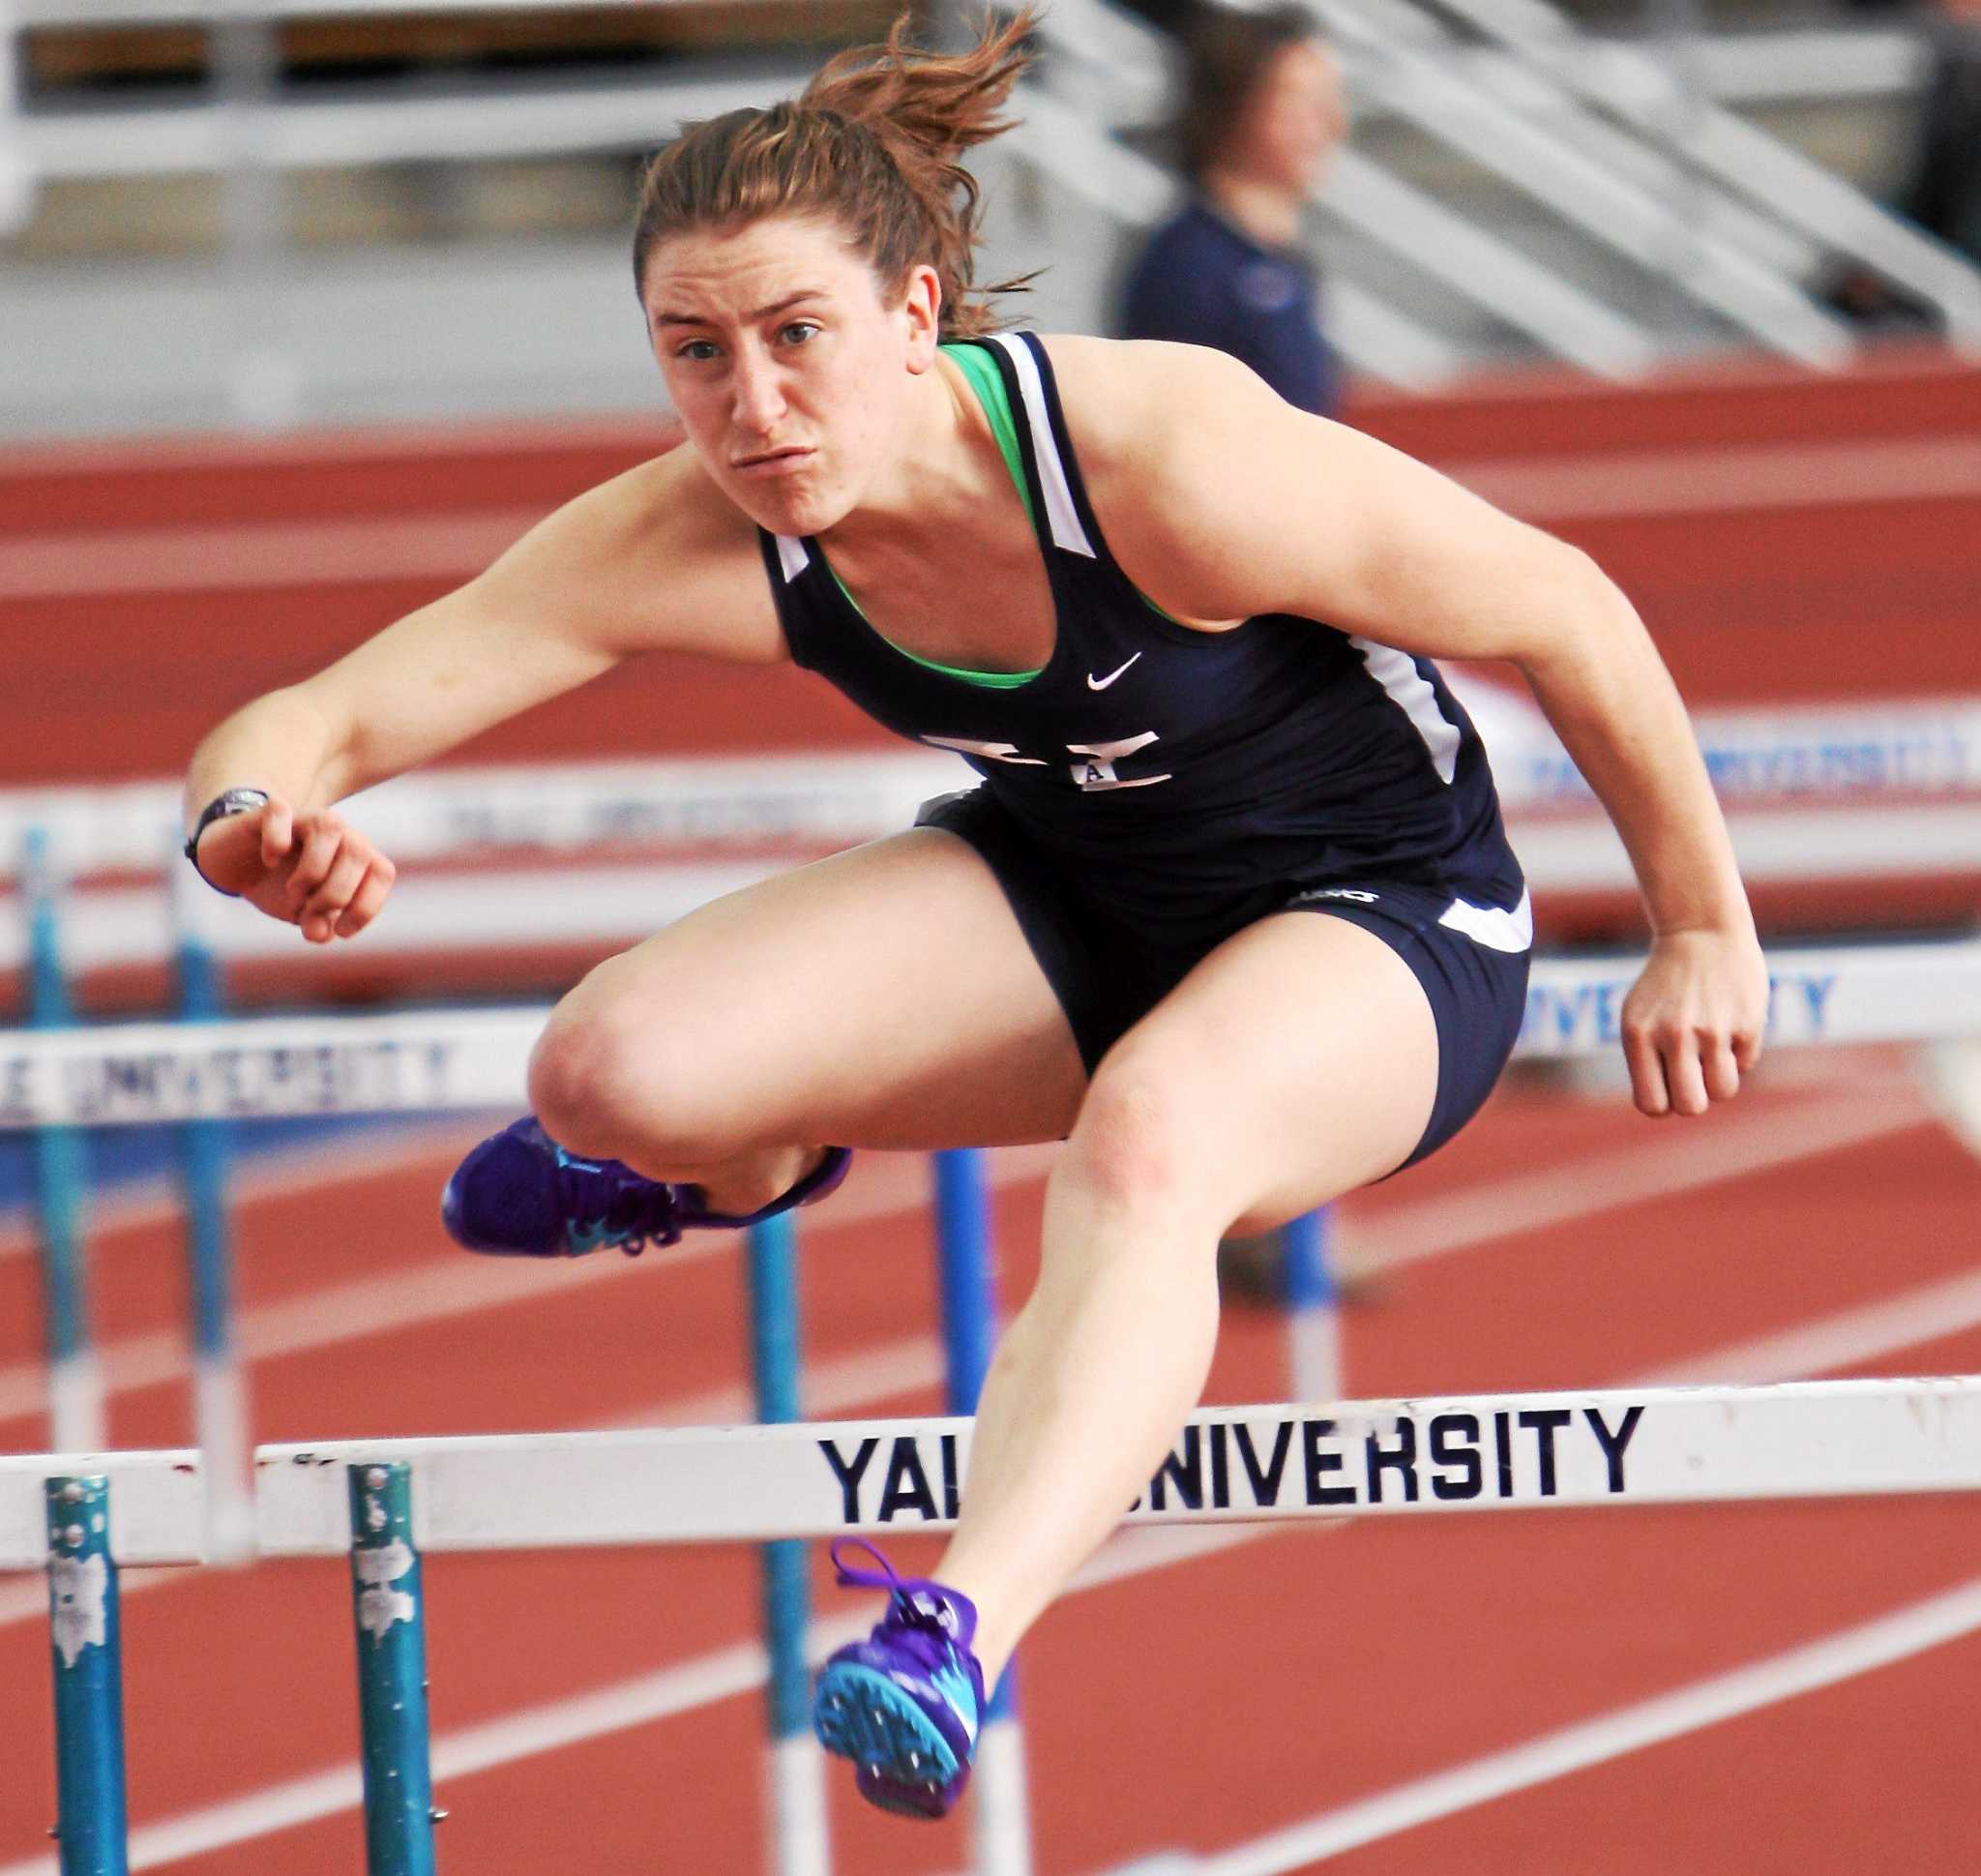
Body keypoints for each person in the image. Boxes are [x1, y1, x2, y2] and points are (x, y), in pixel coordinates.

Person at [180, 9, 1768, 1825]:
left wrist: (1697, 920)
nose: (751, 409)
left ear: (918, 317)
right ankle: (740, 1160)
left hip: (1383, 915)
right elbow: (324, 715)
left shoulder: (1159, 453)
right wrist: (250, 821)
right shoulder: (695, 527)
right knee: (603, 1064)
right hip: (1076, 894)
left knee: (1151, 1135)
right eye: (693, 355)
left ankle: (953, 1619)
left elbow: (1560, 602)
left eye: (796, 341)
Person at [1117, 2, 1348, 416]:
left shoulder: (1285, 262)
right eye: (1300, 104)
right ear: (1234, 108)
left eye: (1328, 102)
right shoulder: (1188, 267)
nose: (1331, 124)